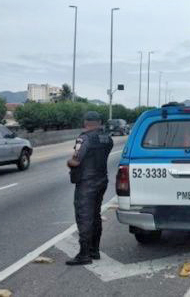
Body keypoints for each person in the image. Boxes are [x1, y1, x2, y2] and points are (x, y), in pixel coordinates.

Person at [66, 111, 114, 266]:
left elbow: (76, 160)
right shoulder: (107, 138)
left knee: (84, 216)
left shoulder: (84, 138)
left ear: (86, 122)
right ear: (99, 122)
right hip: (102, 180)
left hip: (87, 182)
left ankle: (84, 254)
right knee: (95, 215)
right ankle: (94, 250)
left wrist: (69, 162)